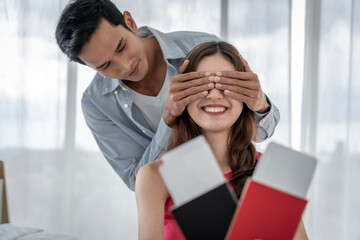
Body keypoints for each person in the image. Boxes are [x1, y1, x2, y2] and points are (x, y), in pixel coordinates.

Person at [55, 0, 280, 191]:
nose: (124, 67)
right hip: (174, 196)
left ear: (130, 22)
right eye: (105, 65)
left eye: (122, 47)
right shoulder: (97, 104)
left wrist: (258, 103)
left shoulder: (200, 47)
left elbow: (259, 132)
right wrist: (168, 120)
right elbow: (137, 181)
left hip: (239, 177)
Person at [135, 41, 307, 240]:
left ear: (246, 95)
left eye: (227, 84)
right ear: (182, 94)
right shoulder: (155, 176)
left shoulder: (272, 172)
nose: (215, 95)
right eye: (202, 84)